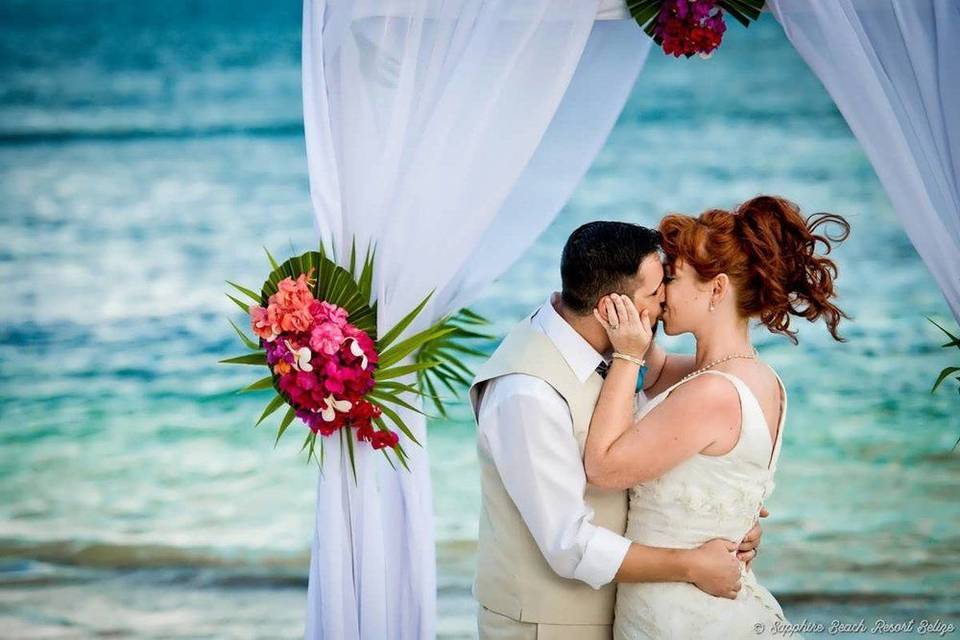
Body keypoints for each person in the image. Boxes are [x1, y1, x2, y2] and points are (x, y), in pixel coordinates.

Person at [468, 221, 765, 640]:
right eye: (655, 291)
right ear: (613, 307)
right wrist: (693, 563)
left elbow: (704, 392)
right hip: (547, 626)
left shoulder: (616, 346)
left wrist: (732, 509)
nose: (664, 302)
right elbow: (568, 544)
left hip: (625, 615)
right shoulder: (527, 393)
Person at [584, 195, 850, 639]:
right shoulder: (754, 376)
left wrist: (627, 353)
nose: (663, 291)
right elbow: (658, 374)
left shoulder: (713, 392)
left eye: (672, 276)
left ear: (718, 289)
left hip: (684, 617)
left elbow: (604, 467)